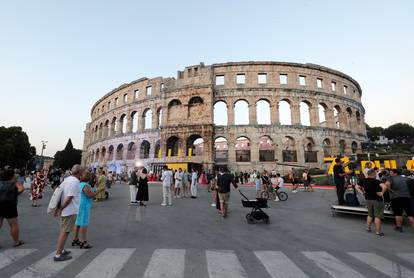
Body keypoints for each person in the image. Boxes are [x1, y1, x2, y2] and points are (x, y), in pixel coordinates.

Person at [54, 165, 83, 262]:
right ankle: (58, 254)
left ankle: (61, 250)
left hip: (66, 210)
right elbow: (69, 197)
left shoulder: (67, 179)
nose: (83, 173)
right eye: (82, 171)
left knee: (63, 230)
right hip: (69, 210)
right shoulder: (75, 182)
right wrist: (61, 208)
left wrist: (58, 208)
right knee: (64, 232)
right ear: (79, 172)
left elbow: (59, 192)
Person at [356, 169, 387, 236]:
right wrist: (382, 193)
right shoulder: (376, 181)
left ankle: (368, 228)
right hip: (377, 200)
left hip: (368, 199)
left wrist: (362, 193)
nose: (376, 174)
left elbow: (356, 186)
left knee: (370, 214)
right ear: (373, 174)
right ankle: (378, 232)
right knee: (377, 216)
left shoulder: (363, 180)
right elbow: (384, 186)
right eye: (375, 173)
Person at [0, 168, 25, 247]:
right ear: (11, 175)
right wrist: (15, 194)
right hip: (9, 205)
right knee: (13, 225)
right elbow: (21, 189)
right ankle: (16, 242)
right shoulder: (14, 182)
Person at [72, 170, 96, 248]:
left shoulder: (80, 184)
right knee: (84, 223)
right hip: (84, 205)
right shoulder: (86, 185)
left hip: (79, 204)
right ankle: (83, 241)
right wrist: (96, 192)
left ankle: (75, 239)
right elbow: (89, 195)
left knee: (78, 222)